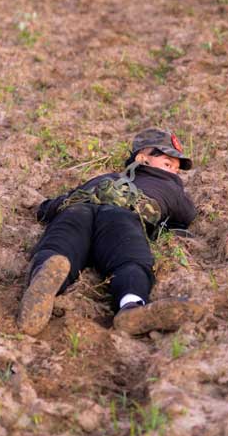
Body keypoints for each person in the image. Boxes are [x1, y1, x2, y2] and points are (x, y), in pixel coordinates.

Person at [18, 128, 204, 337]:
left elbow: (51, 208)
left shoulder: (104, 178)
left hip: (77, 211)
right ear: (142, 158)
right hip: (121, 217)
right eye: (168, 164)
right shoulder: (169, 185)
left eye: (177, 170)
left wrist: (45, 207)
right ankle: (131, 305)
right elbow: (187, 215)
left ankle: (40, 288)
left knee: (58, 249)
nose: (173, 172)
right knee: (130, 259)